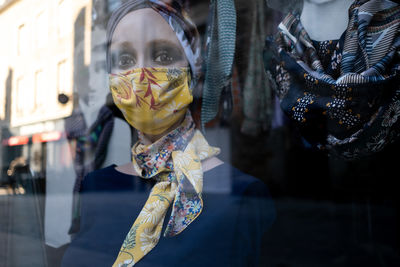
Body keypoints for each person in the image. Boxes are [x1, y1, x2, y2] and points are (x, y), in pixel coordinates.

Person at [61, 1, 275, 266]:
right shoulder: (96, 187)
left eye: (163, 56)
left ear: (192, 69)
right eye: (125, 60)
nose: (142, 76)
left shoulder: (242, 197)